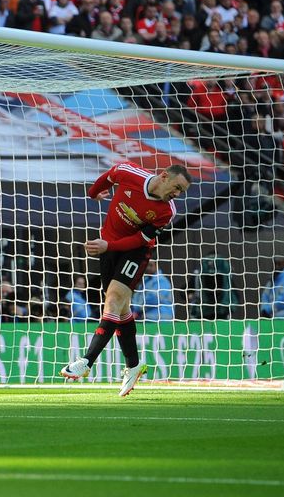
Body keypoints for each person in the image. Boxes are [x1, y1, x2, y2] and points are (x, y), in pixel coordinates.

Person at [60, 162, 191, 396]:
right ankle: (133, 365)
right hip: (108, 246)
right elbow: (109, 176)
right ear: (164, 176)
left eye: (182, 191)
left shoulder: (167, 211)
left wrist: (107, 246)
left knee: (113, 300)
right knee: (121, 309)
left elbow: (140, 239)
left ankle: (87, 361)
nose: (177, 194)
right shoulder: (129, 173)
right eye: (177, 187)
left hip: (135, 251)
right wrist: (93, 193)